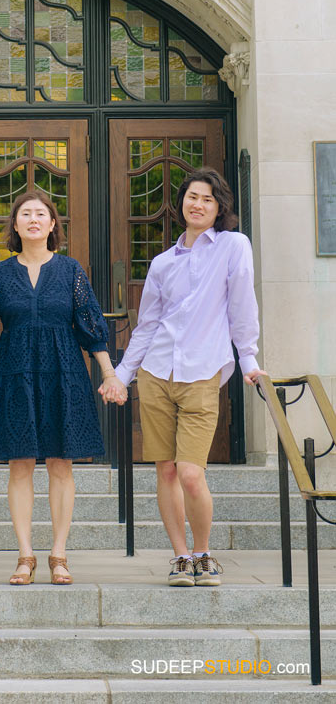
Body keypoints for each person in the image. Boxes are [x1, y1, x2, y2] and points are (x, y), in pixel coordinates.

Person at [0, 189, 120, 585]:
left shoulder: (71, 271)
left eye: (41, 214)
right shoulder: (0, 274)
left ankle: (59, 554)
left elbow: (91, 327)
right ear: (15, 226)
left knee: (61, 463)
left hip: (63, 373)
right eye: (25, 214)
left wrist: (109, 373)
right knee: (20, 465)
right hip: (15, 375)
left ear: (52, 225)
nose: (33, 219)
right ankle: (25, 554)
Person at [100, 167, 265, 587]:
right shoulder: (162, 263)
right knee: (167, 470)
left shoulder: (233, 246)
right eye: (192, 197)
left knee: (192, 473)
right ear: (181, 204)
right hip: (156, 374)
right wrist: (121, 375)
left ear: (219, 206)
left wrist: (248, 358)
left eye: (208, 199)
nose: (198, 204)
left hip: (202, 373)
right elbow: (148, 326)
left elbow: (242, 304)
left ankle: (204, 553)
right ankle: (180, 557)